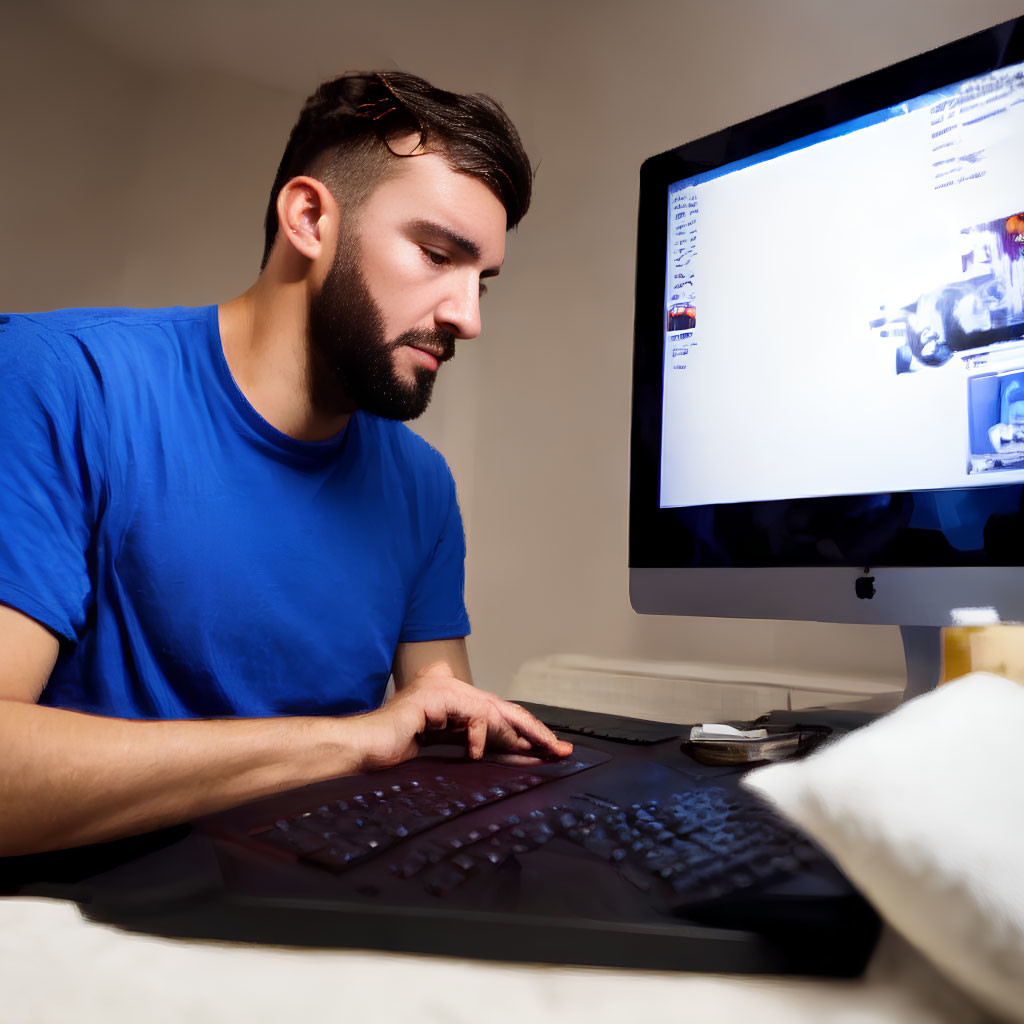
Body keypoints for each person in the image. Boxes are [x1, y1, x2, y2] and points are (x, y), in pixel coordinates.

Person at [0, 71, 571, 859]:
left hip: (317, 915)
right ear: (308, 218)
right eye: (439, 255)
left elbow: (437, 730)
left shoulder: (422, 488)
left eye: (483, 283)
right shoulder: (58, 380)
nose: (467, 318)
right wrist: (348, 743)